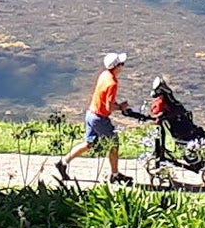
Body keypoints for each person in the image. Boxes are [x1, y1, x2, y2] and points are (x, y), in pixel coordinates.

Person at [56, 51, 142, 184]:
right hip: (100, 118)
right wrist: (121, 107)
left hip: (91, 114)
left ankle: (63, 162)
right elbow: (108, 107)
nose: (123, 67)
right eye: (122, 64)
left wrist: (118, 105)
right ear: (116, 67)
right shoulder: (112, 83)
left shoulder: (104, 75)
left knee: (89, 143)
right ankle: (115, 175)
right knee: (114, 144)